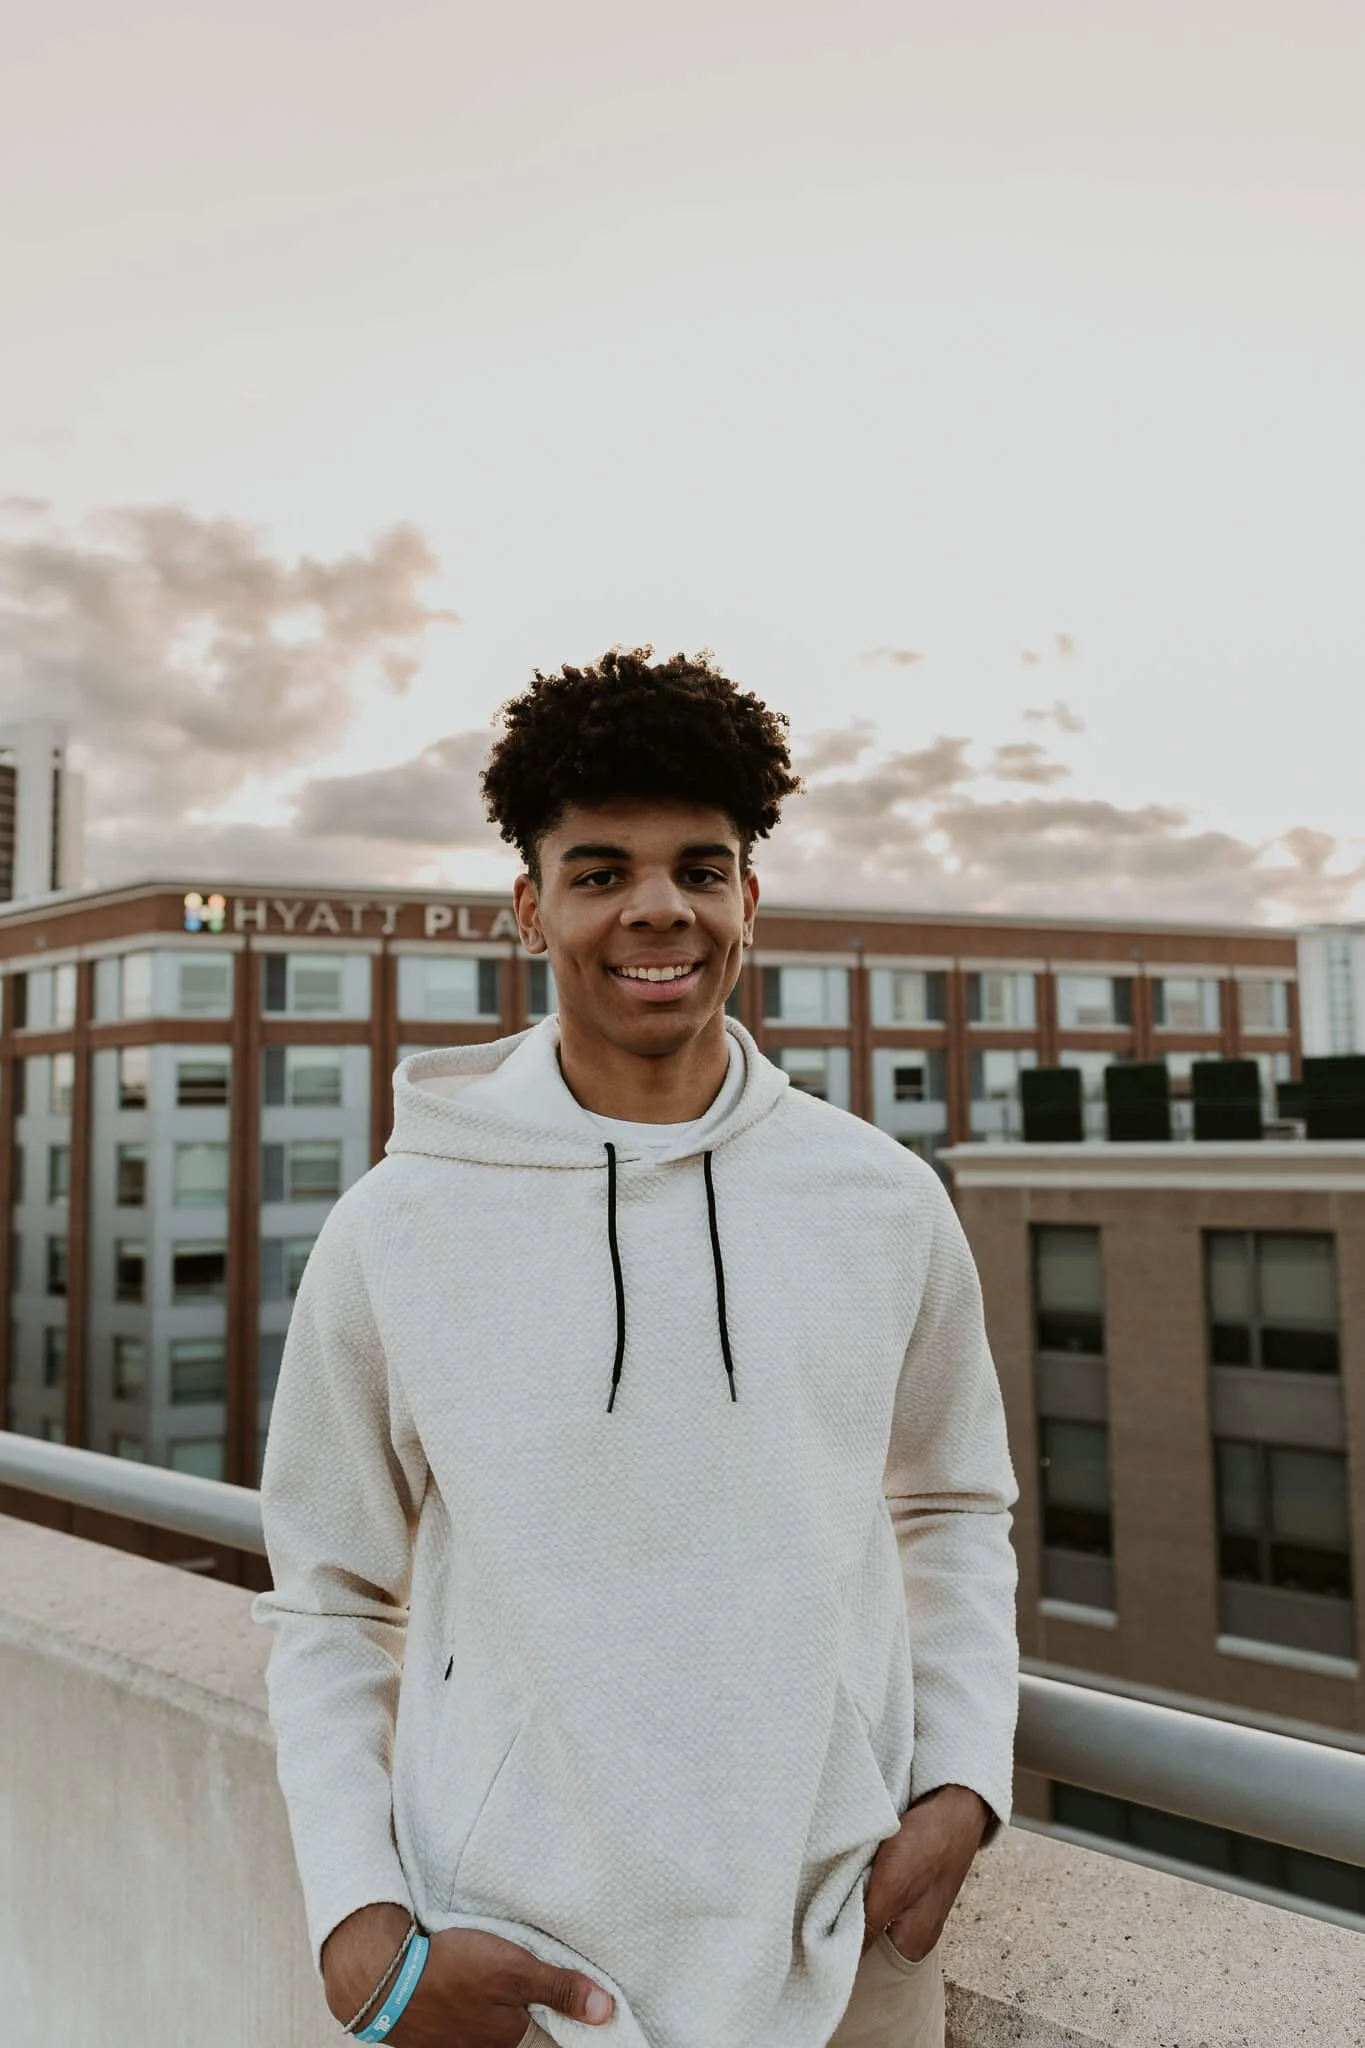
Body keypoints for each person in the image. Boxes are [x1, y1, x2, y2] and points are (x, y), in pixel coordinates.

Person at [252, 646, 1019, 2048]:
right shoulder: (396, 1228)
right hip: (523, 1980)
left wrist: (962, 1782)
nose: (657, 908)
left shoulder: (883, 1200)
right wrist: (361, 1922)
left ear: (749, 901)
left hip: (845, 1950)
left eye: (700, 868)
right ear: (529, 908)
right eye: (601, 872)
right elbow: (328, 1596)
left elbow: (955, 1504)